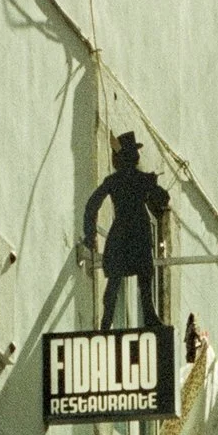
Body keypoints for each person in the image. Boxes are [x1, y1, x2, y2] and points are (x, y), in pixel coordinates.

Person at [80, 132, 168, 329]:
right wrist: (153, 185)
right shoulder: (142, 179)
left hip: (121, 232)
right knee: (144, 278)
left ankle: (107, 321)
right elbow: (163, 201)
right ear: (133, 157)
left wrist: (90, 233)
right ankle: (149, 317)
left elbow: (92, 205)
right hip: (139, 232)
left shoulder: (113, 180)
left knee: (115, 279)